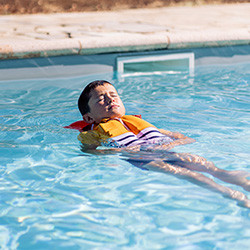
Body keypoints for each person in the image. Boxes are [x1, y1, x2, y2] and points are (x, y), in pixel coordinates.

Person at [70, 80, 250, 208]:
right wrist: (116, 151)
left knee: (208, 166)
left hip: (165, 152)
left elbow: (183, 137)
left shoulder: (136, 122)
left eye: (113, 95)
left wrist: (169, 145)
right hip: (141, 158)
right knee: (190, 175)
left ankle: (245, 184)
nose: (110, 99)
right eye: (101, 99)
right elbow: (90, 152)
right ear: (88, 117)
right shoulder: (92, 133)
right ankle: (235, 197)